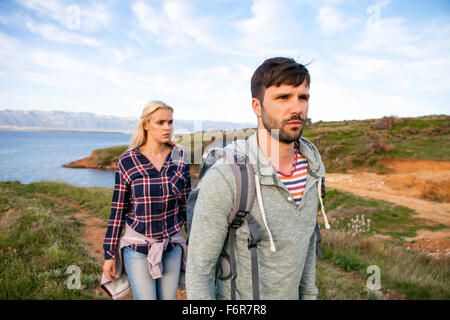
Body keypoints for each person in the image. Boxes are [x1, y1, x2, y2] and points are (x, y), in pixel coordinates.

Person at [186, 57, 326, 300]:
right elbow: (200, 269)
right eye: (283, 97)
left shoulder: (314, 170)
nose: (297, 108)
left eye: (302, 97)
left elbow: (306, 246)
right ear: (257, 106)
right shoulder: (227, 176)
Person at [102, 100, 191, 300]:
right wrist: (109, 254)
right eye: (160, 122)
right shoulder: (127, 161)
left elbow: (186, 206)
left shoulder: (180, 157)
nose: (167, 127)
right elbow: (118, 210)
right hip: (137, 249)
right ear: (146, 125)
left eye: (170, 122)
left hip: (171, 247)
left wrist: (194, 242)